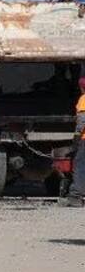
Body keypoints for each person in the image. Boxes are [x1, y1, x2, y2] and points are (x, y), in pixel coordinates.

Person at [60, 75, 85, 206]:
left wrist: (76, 138)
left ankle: (76, 195)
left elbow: (82, 121)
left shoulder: (84, 99)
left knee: (80, 166)